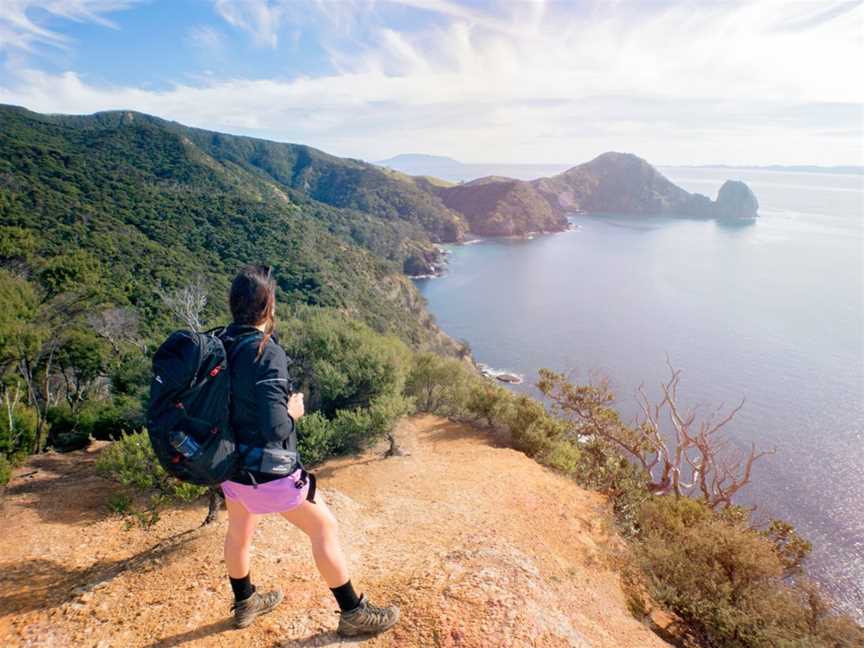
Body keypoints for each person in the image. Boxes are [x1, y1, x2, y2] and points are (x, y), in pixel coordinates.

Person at [218, 264, 400, 637]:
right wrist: (294, 412)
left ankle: (245, 603)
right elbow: (275, 428)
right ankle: (352, 612)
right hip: (268, 471)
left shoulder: (219, 344)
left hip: (228, 468)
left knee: (239, 532)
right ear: (269, 305)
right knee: (325, 528)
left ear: (234, 304)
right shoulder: (266, 353)